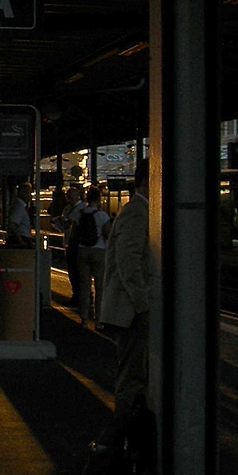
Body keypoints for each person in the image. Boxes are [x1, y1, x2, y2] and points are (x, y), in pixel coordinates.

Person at [99, 159, 151, 423]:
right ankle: (119, 433)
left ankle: (123, 430)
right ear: (148, 180)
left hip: (133, 308)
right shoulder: (137, 212)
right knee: (133, 373)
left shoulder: (142, 211)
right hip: (131, 310)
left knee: (136, 370)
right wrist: (143, 304)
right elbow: (128, 262)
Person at [76, 186, 111, 326]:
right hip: (99, 250)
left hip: (82, 251)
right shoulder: (102, 215)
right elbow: (108, 234)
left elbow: (74, 232)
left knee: (84, 287)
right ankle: (99, 319)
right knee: (100, 286)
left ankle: (84, 319)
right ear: (99, 198)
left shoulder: (79, 214)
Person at [55, 186, 86, 306]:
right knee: (72, 270)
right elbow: (64, 227)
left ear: (78, 196)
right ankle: (77, 294)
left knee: (78, 271)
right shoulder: (67, 209)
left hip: (78, 243)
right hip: (69, 241)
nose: (69, 200)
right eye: (68, 197)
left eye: (71, 197)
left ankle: (81, 295)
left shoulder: (83, 208)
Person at [5, 182, 34, 248]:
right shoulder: (19, 206)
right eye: (28, 193)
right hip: (22, 238)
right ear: (23, 192)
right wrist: (20, 241)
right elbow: (12, 225)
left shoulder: (20, 206)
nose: (30, 196)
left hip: (22, 238)